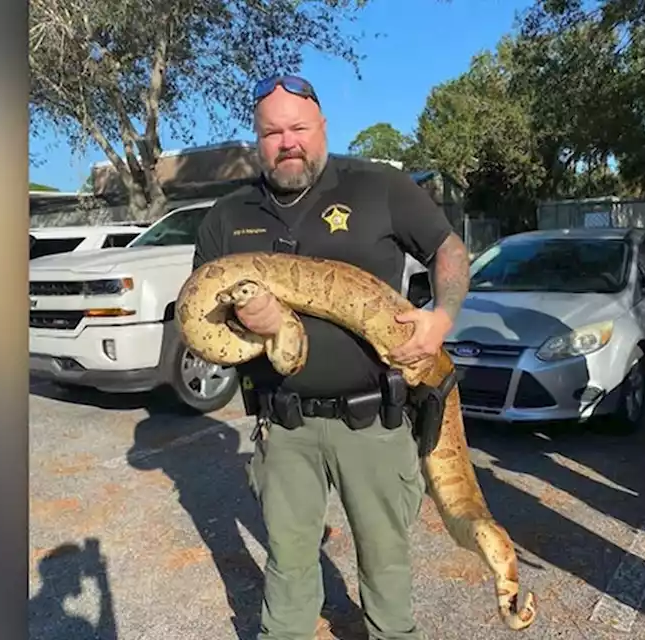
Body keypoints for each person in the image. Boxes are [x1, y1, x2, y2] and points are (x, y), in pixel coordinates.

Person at [192, 74, 472, 640]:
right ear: (257, 140)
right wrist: (261, 326)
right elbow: (202, 317)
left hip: (374, 420)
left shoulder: (379, 187)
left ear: (322, 127)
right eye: (272, 132)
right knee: (289, 569)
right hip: (285, 423)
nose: (287, 142)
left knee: (387, 568)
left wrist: (441, 318)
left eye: (298, 127)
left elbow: (449, 249)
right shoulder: (227, 216)